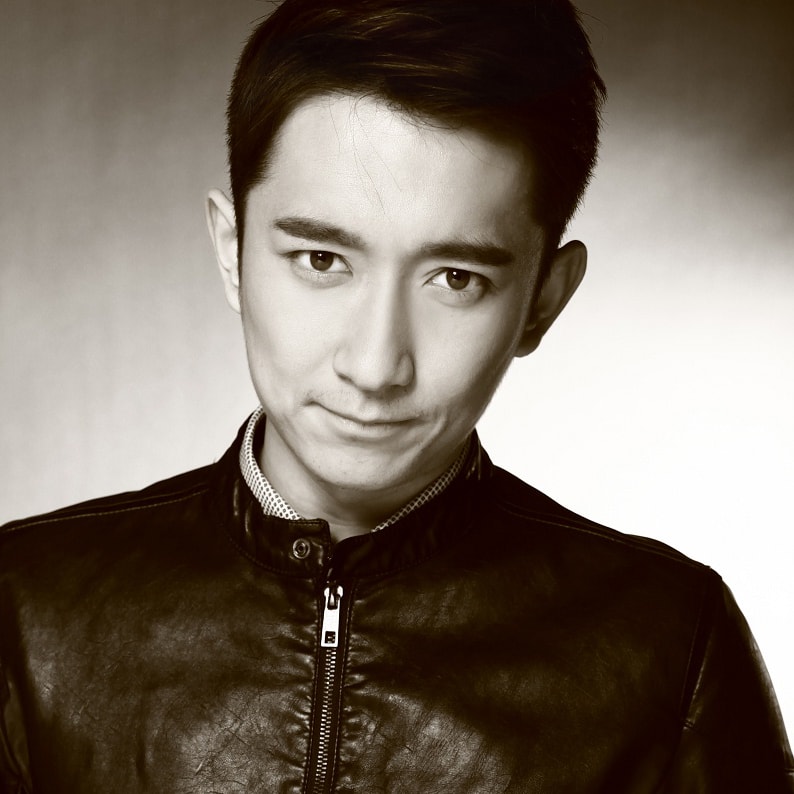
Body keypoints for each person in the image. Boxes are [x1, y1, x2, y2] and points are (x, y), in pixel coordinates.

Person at [1, 0, 791, 790]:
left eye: (456, 279)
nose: (376, 365)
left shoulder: (671, 652)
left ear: (544, 301)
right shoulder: (26, 613)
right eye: (321, 260)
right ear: (233, 252)